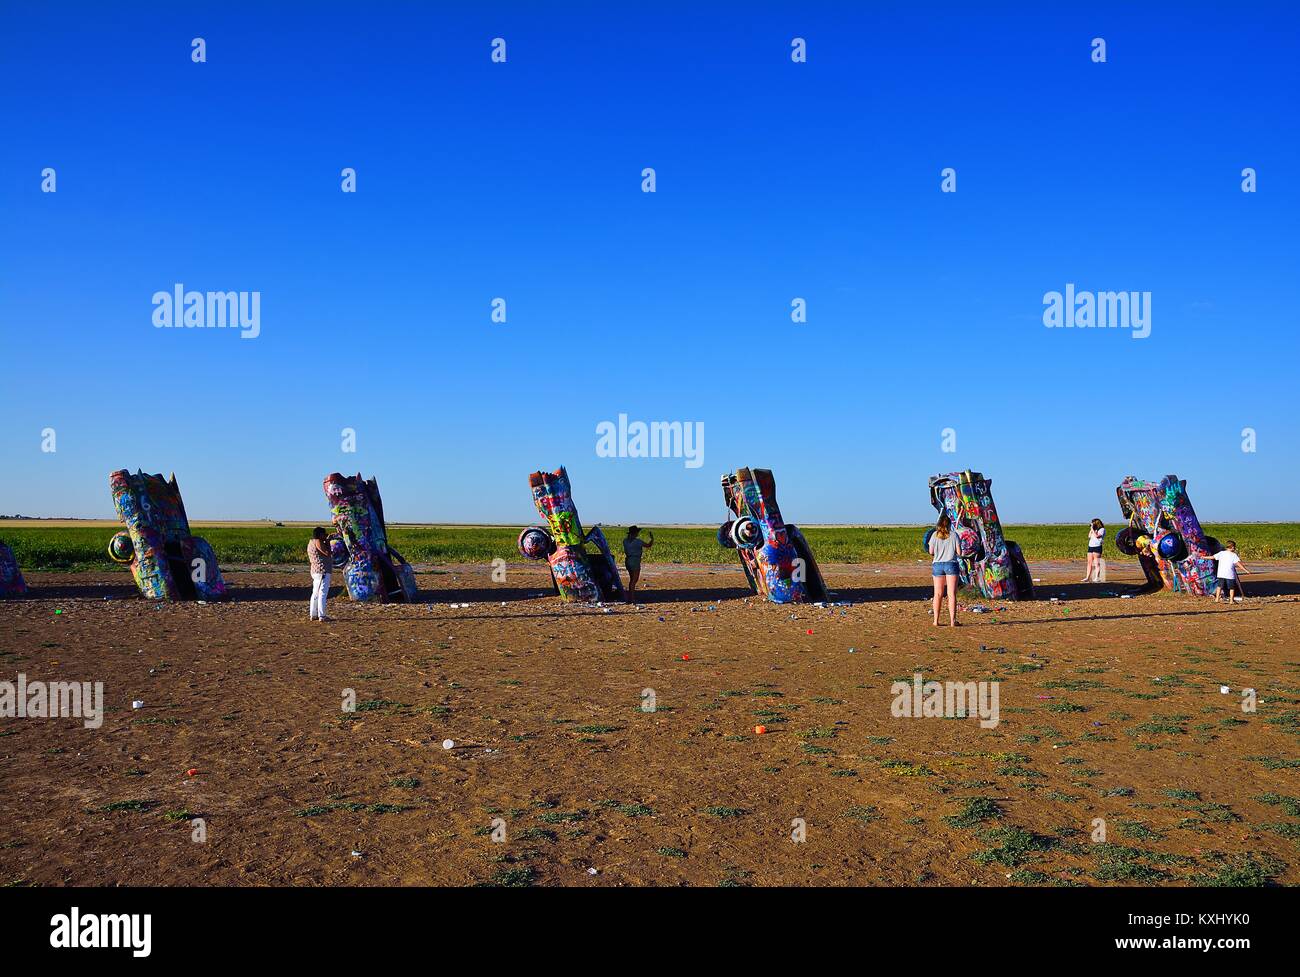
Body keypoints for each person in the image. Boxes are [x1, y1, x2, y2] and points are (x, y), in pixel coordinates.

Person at [929, 513, 961, 626]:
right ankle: (952, 621)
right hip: (951, 564)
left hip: (937, 564)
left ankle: (936, 621)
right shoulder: (954, 535)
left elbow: (931, 552)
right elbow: (959, 552)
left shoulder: (934, 535)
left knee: (937, 594)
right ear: (949, 525)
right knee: (951, 594)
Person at [307, 527, 334, 621]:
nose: (325, 535)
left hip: (316, 571)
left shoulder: (311, 542)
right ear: (319, 535)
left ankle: (313, 614)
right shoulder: (318, 542)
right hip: (322, 571)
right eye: (324, 534)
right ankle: (321, 615)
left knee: (315, 593)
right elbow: (327, 553)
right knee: (322, 592)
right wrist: (328, 542)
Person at [622, 526, 654, 600]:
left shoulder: (625, 541)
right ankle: (632, 598)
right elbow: (648, 545)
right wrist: (652, 539)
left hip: (628, 560)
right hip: (635, 560)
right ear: (635, 533)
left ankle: (631, 596)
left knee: (631, 579)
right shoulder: (638, 541)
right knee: (634, 580)